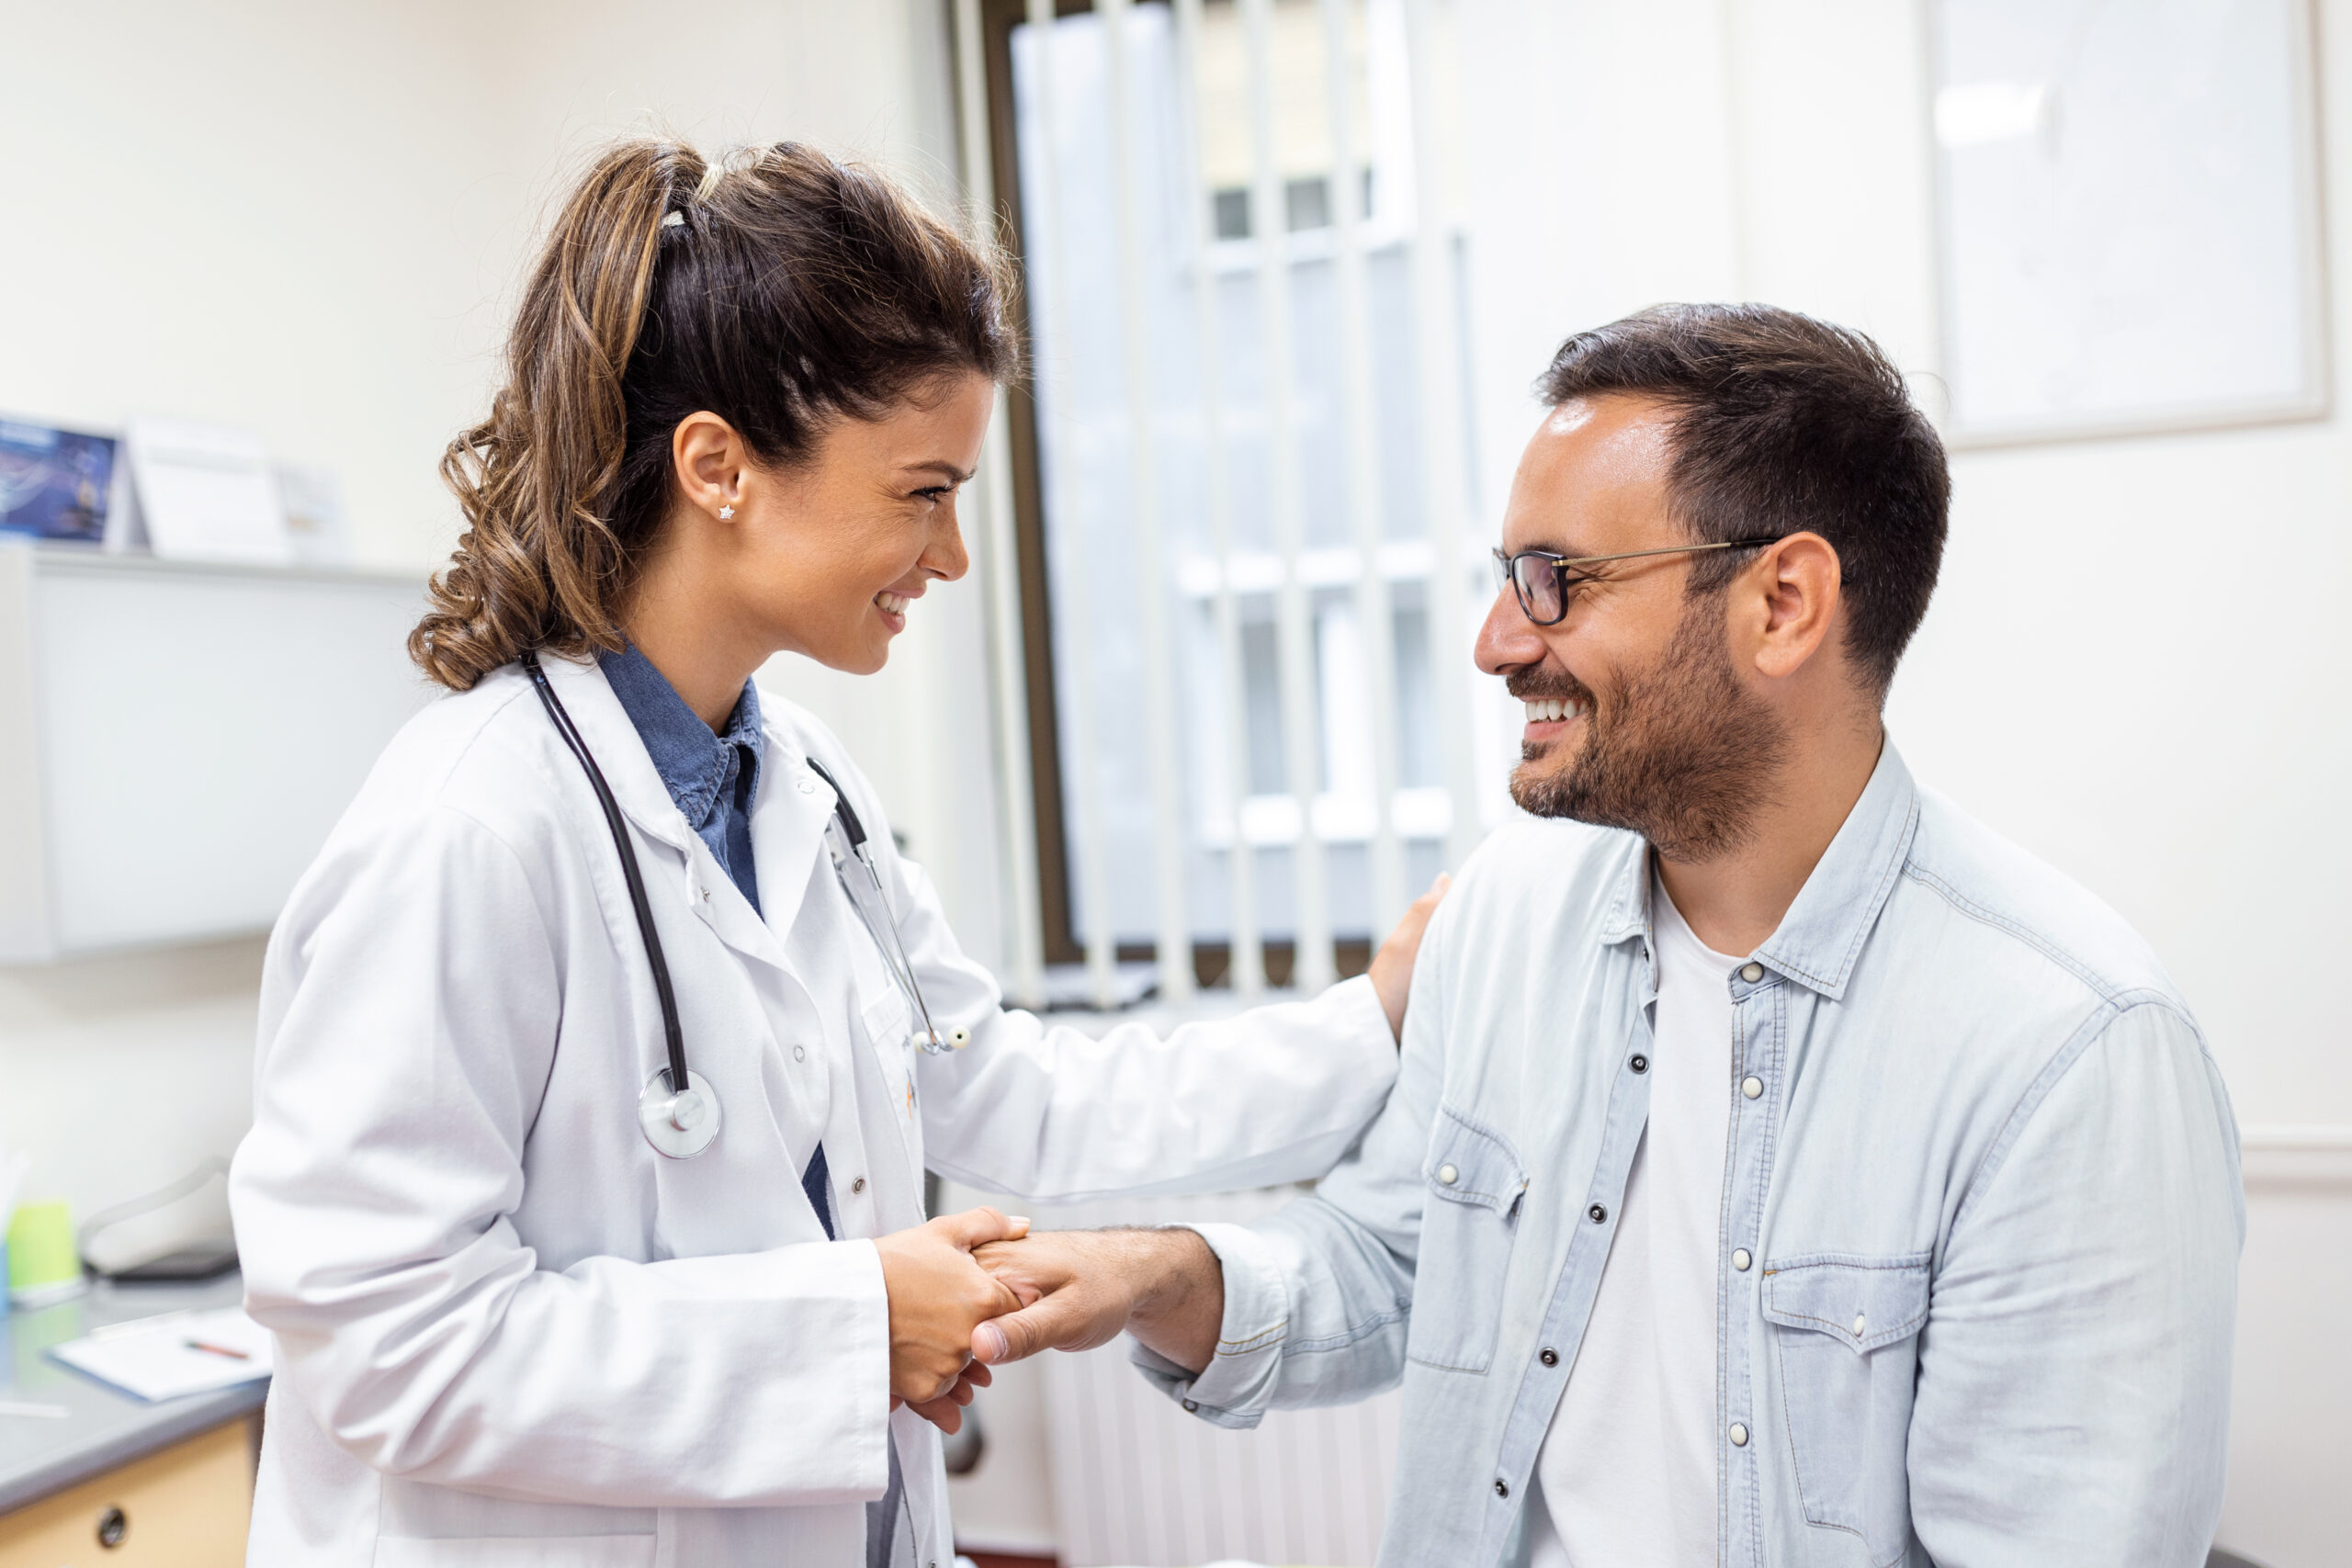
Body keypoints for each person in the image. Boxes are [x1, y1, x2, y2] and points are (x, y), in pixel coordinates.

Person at [226, 140, 1442, 1568]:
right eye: (923, 492)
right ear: (719, 467)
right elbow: (385, 1344)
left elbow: (1014, 1098)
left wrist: (1377, 1022)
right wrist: (854, 1325)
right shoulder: (471, 830)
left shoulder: (800, 783)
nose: (952, 556)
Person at [967, 305, 2245, 1567]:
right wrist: (1150, 1275)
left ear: (1783, 602)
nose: (1496, 643)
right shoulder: (1506, 920)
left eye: (1556, 581)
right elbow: (1387, 1259)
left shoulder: (2069, 1056)